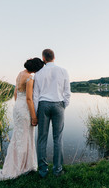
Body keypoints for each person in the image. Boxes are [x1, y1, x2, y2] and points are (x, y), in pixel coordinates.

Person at [0, 58, 44, 181]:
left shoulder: (20, 74)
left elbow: (15, 93)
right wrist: (34, 117)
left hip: (18, 107)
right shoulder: (30, 78)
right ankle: (20, 167)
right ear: (36, 69)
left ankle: (25, 165)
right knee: (24, 137)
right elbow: (29, 99)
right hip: (25, 109)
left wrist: (19, 105)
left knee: (19, 136)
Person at [33, 49, 71, 178]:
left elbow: (35, 95)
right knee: (58, 138)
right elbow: (67, 92)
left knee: (42, 139)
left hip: (43, 105)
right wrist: (63, 105)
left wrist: (36, 112)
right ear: (54, 57)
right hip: (58, 104)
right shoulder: (63, 71)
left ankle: (43, 171)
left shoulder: (38, 73)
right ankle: (57, 170)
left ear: (43, 58)